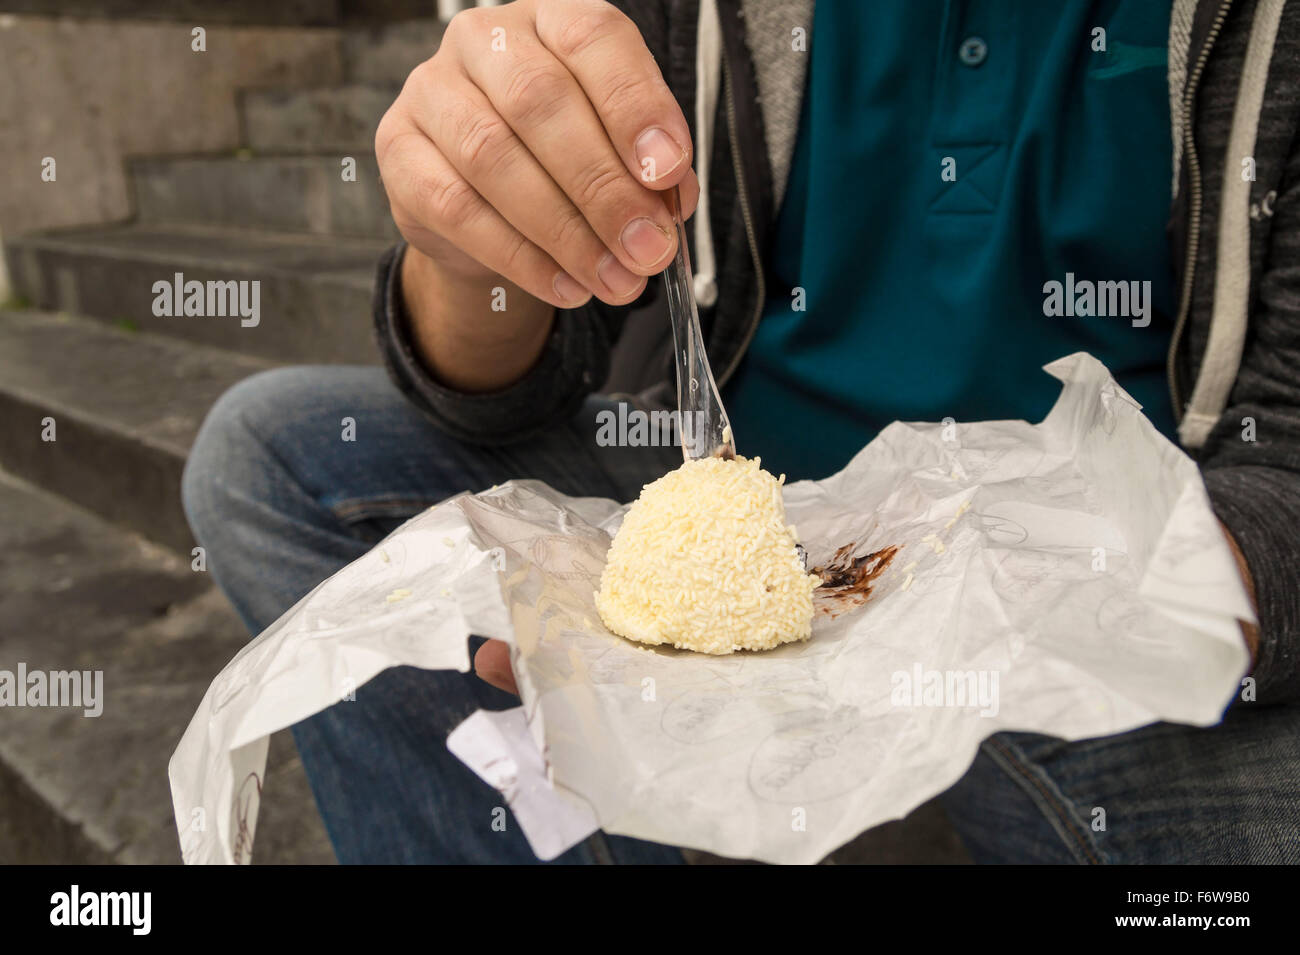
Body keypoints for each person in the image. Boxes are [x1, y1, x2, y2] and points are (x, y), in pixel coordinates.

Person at [182, 0, 1300, 863]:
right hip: (699, 478)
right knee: (276, 452)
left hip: (1103, 585)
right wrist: (472, 254)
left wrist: (1080, 599)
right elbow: (511, 380)